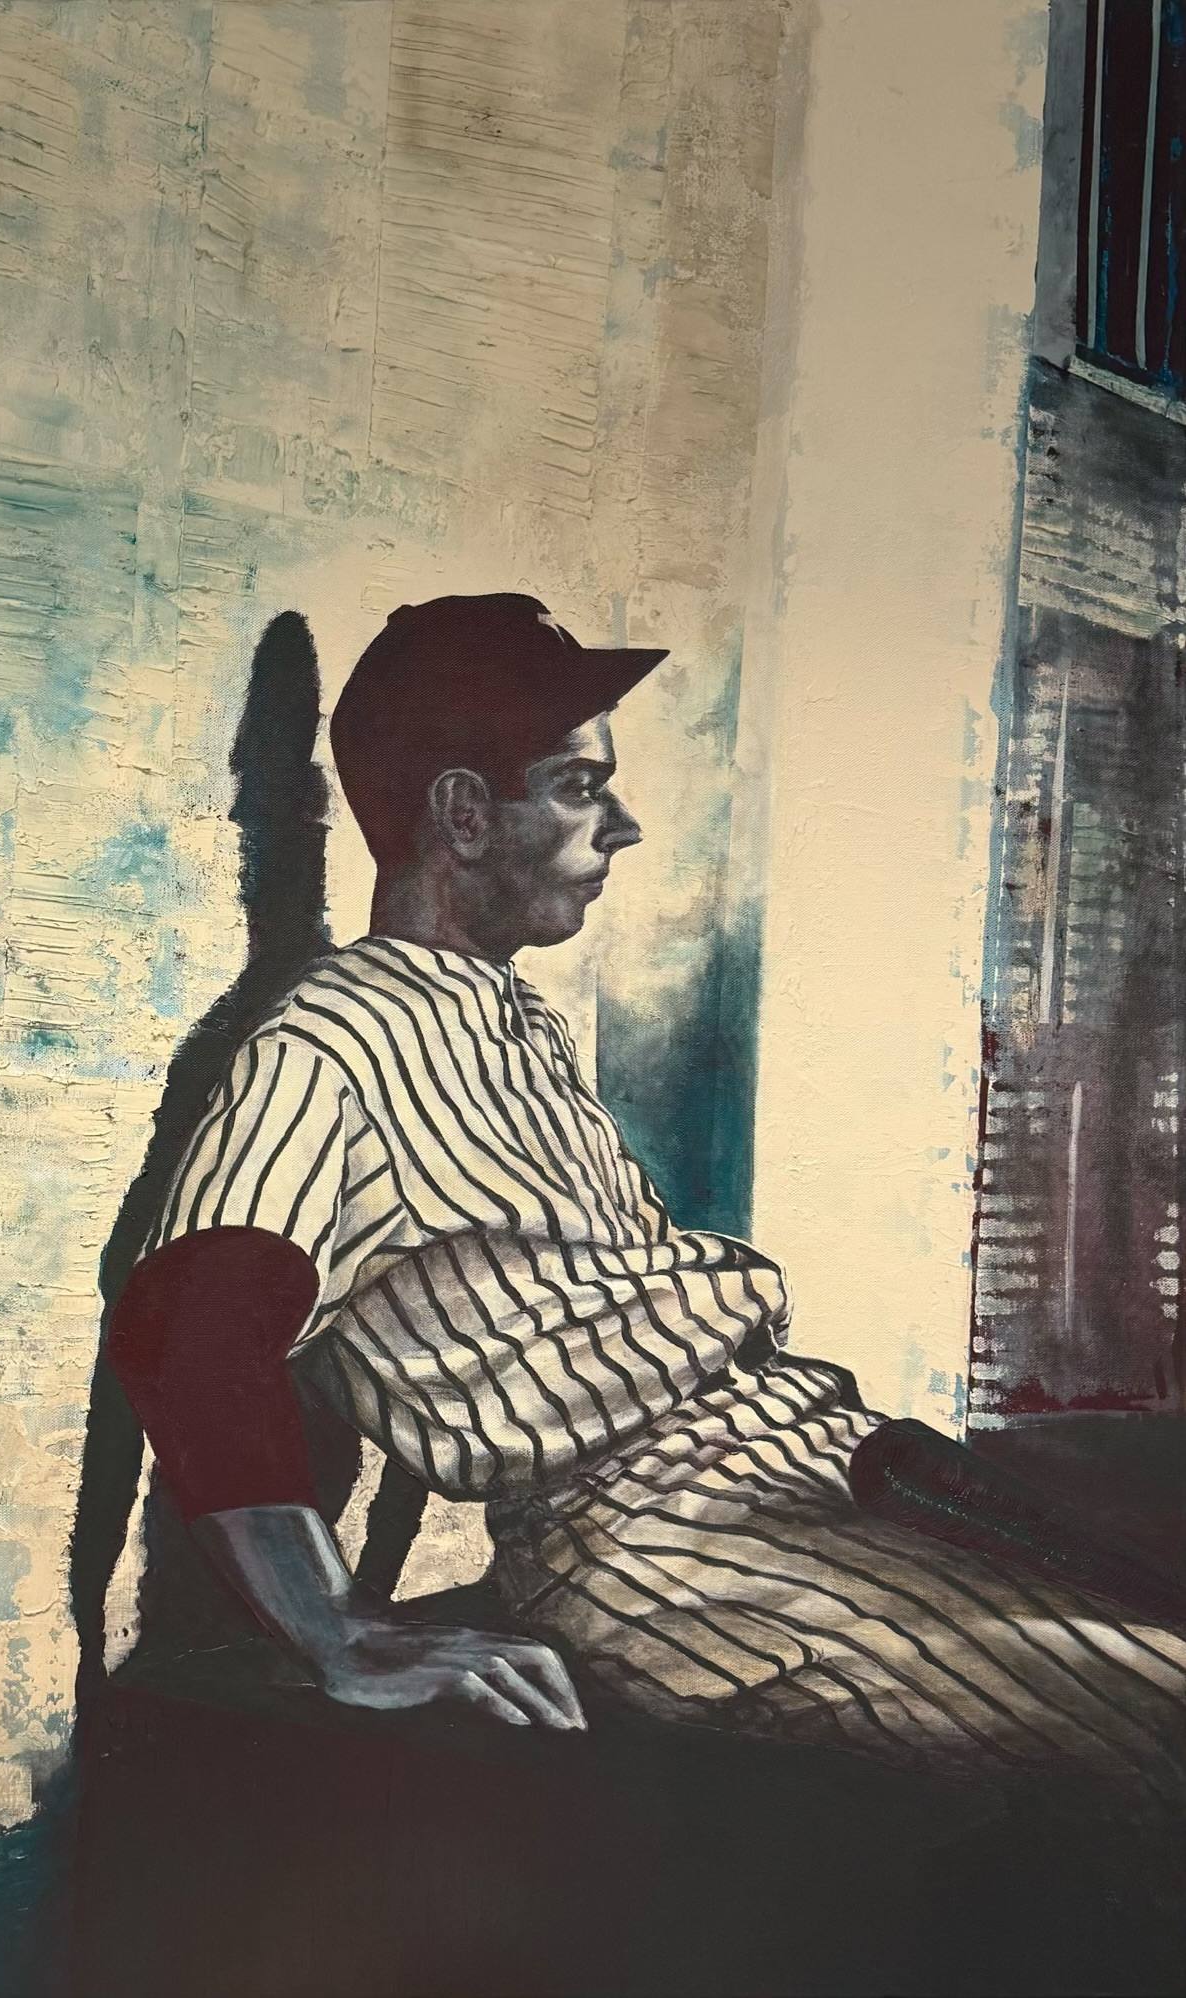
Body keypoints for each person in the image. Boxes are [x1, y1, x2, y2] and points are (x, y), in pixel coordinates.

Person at [106, 592, 1186, 1807]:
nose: (621, 826)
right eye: (580, 788)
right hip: (666, 1537)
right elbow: (187, 1332)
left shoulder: (513, 1016)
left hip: (818, 1458)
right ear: (464, 814)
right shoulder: (331, 1040)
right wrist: (337, 1629)